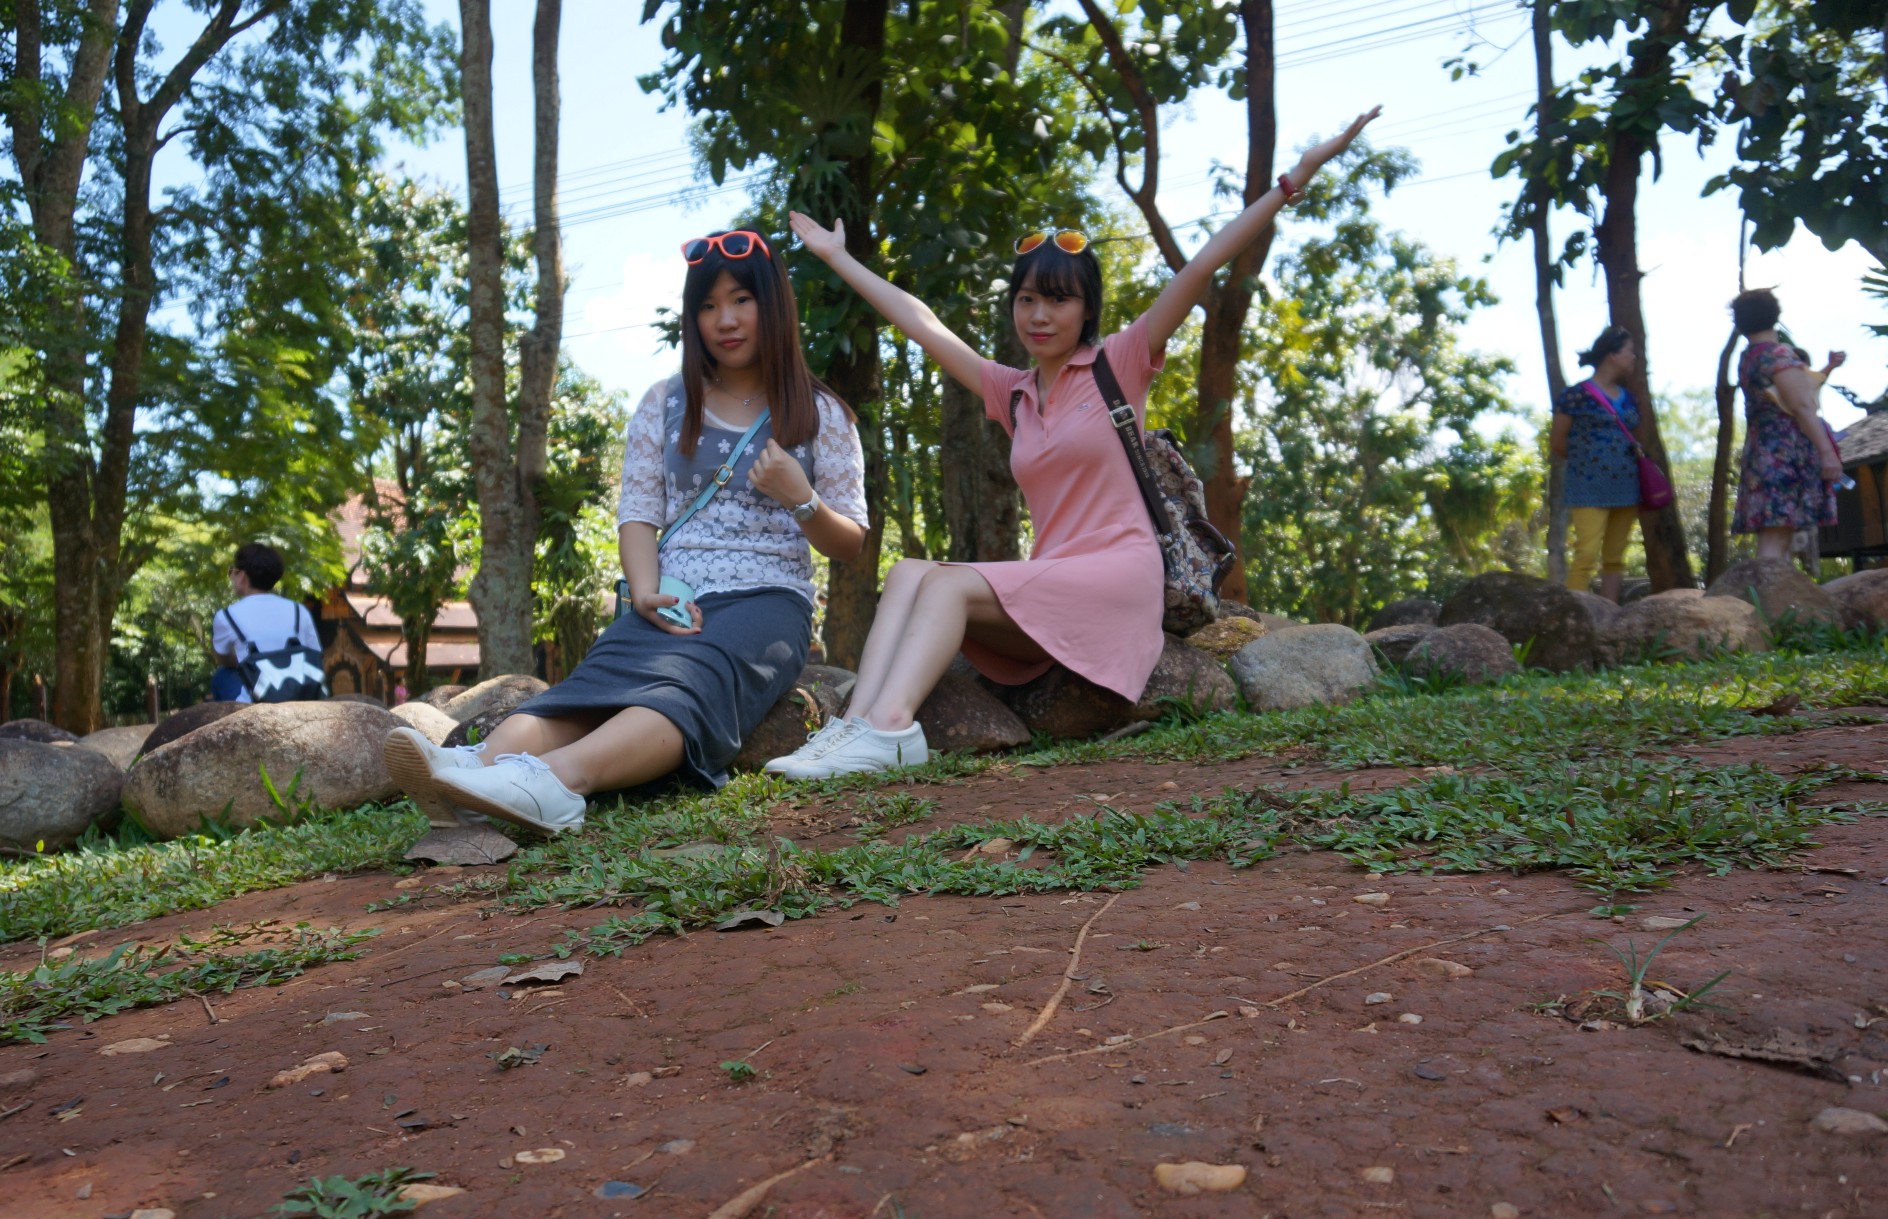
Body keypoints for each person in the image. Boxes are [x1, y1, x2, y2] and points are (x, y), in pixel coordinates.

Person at [763, 107, 1382, 780]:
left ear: (1087, 309)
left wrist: (1295, 178)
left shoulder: (1121, 362)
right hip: (1053, 579)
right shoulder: (1014, 393)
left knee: (945, 583)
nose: (1039, 315)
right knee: (911, 571)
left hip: (1117, 576)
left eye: (1057, 301)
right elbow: (925, 324)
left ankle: (890, 728)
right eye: (1027, 300)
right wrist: (838, 257)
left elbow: (1205, 262)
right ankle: (852, 731)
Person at [383, 226, 869, 833]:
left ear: (773, 305)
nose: (725, 319)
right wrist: (644, 592)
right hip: (673, 595)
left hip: (768, 601)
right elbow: (639, 512)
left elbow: (849, 542)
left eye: (741, 299)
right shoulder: (665, 403)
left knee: (686, 685)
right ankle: (471, 770)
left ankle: (557, 783)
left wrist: (802, 499)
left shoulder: (822, 414)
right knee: (589, 687)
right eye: (708, 306)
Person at [1730, 289, 1843, 562]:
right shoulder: (1779, 355)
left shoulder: (1749, 357)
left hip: (1760, 449)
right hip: (1784, 453)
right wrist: (1827, 452)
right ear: (1775, 316)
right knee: (1777, 537)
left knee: (1776, 536)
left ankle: (1770, 589)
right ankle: (1765, 591)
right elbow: (1801, 405)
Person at [1548, 326, 1645, 601]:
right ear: (1612, 355)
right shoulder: (1575, 396)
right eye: (1629, 351)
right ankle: (1577, 613)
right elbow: (1558, 440)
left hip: (1626, 486)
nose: (1633, 357)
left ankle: (1609, 615)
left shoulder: (1629, 397)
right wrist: (1589, 463)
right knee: (1586, 554)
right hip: (1587, 488)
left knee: (1615, 558)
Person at [211, 542, 321, 703]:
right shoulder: (299, 610)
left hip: (256, 695)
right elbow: (314, 652)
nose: (232, 577)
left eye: (232, 571)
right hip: (299, 693)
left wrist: (246, 661)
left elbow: (223, 658)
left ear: (242, 575)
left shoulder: (226, 616)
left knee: (221, 676)